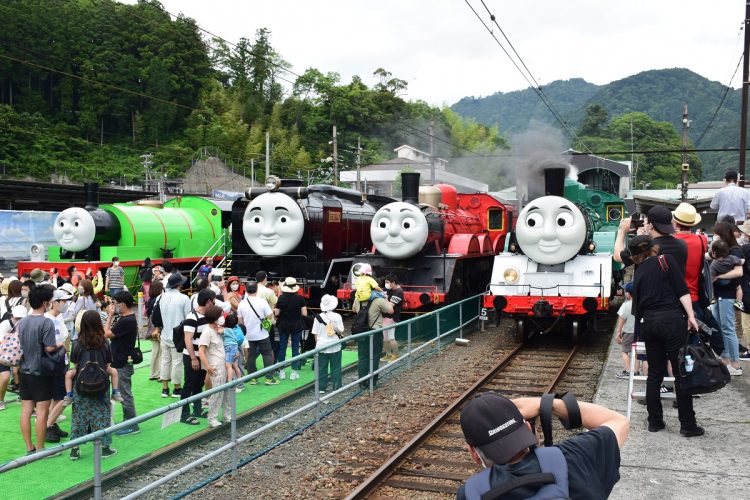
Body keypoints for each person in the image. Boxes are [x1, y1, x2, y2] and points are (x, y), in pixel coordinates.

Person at [456, 393, 629, 499]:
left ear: (474, 454)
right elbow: (618, 421)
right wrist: (545, 403)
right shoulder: (575, 456)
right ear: (529, 428)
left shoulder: (471, 494)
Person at [627, 235, 704, 437]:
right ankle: (688, 425)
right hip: (671, 321)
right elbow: (682, 291)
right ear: (654, 248)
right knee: (680, 373)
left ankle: (655, 421)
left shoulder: (639, 271)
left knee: (655, 373)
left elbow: (638, 307)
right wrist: (691, 316)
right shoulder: (666, 260)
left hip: (649, 324)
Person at [68, 310, 118, 461]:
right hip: (101, 385)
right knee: (102, 414)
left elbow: (75, 365)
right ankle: (105, 448)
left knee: (78, 415)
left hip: (81, 385)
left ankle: (75, 449)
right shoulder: (105, 342)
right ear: (98, 323)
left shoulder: (76, 343)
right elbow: (108, 364)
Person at [17, 286, 59, 454]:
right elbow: (49, 348)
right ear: (45, 303)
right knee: (42, 411)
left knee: (26, 410)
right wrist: (59, 345)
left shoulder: (23, 321)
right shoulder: (46, 322)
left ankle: (29, 447)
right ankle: (41, 449)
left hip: (24, 370)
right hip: (41, 371)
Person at [105, 291, 140, 435]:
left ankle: (132, 424)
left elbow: (106, 333)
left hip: (122, 361)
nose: (113, 306)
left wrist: (110, 315)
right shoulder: (127, 318)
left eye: (115, 303)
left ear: (123, 304)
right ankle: (128, 420)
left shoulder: (127, 320)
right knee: (124, 391)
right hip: (123, 359)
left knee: (124, 393)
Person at [615, 205, 687, 270]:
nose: (643, 223)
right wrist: (643, 237)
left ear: (651, 225)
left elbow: (617, 257)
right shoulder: (682, 244)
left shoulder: (646, 247)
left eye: (646, 221)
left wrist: (621, 231)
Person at [181, 288, 215, 425]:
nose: (214, 303)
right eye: (213, 301)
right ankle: (184, 414)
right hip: (192, 356)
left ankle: (197, 408)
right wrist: (193, 358)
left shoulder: (206, 316)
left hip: (202, 355)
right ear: (208, 302)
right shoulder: (192, 317)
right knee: (189, 384)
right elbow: (187, 339)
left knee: (198, 384)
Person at [153, 272, 190, 398]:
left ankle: (164, 388)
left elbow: (156, 316)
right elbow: (187, 317)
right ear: (179, 285)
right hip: (178, 334)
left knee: (165, 360)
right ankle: (177, 388)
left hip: (165, 332)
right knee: (177, 362)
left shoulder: (160, 297)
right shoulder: (184, 298)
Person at [44, 287, 73, 444]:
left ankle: (51, 423)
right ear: (54, 303)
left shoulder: (59, 317)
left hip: (61, 360)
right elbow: (51, 343)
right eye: (63, 301)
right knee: (63, 396)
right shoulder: (48, 319)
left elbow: (64, 337)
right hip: (53, 362)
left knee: (58, 397)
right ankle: (48, 425)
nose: (66, 304)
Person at [197, 305, 231, 428]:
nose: (222, 317)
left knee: (228, 391)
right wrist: (208, 367)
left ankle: (227, 414)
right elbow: (201, 351)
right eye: (221, 315)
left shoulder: (219, 329)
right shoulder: (207, 332)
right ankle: (212, 417)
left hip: (225, 363)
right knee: (217, 393)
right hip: (216, 365)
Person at [238, 281, 278, 385]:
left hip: (248, 334)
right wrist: (264, 322)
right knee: (267, 354)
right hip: (262, 333)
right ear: (256, 289)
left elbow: (240, 320)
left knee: (250, 356)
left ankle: (253, 378)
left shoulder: (242, 303)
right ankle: (269, 378)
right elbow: (270, 315)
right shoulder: (262, 302)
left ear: (246, 290)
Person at [353, 293, 393, 390]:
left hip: (361, 332)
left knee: (362, 357)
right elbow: (391, 310)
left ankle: (362, 382)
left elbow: (353, 310)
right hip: (375, 332)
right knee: (374, 357)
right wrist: (386, 298)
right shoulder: (378, 300)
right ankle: (372, 381)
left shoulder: (357, 298)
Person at [274, 277, 308, 381]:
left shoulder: (281, 298)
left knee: (282, 347)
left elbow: (277, 313)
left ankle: (282, 371)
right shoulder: (300, 298)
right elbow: (304, 313)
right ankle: (294, 371)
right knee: (295, 348)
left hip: (283, 325)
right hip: (296, 325)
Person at [313, 295, 344, 393]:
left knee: (321, 367)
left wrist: (317, 344)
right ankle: (336, 385)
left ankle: (321, 387)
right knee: (335, 366)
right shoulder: (337, 316)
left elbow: (315, 333)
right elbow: (341, 330)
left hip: (321, 345)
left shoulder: (317, 317)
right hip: (334, 344)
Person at [0, 305, 26, 410]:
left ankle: (23, 397)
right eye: (17, 318)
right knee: (5, 377)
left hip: (20, 355)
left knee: (24, 376)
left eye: (21, 319)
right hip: (4, 355)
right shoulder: (5, 324)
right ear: (12, 316)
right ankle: (1, 400)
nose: (19, 321)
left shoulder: (26, 325)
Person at [614, 282, 639, 379]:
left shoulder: (626, 305)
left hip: (628, 332)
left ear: (628, 294)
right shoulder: (641, 304)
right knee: (638, 352)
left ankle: (628, 371)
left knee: (625, 351)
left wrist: (618, 332)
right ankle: (636, 371)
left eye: (626, 292)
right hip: (638, 332)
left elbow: (621, 320)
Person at [382, 274, 403, 361]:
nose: (386, 284)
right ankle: (388, 354)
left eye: (387, 282)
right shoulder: (390, 289)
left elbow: (390, 306)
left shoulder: (398, 292)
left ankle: (396, 355)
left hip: (392, 318)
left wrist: (385, 298)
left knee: (391, 338)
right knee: (385, 338)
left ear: (393, 282)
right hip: (385, 318)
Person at [146, 280, 164, 380]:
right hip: (159, 327)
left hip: (151, 327)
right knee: (162, 351)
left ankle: (153, 373)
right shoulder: (160, 300)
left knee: (154, 351)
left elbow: (149, 315)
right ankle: (161, 374)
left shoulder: (150, 300)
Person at [223, 312, 244, 390]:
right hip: (235, 348)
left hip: (229, 348)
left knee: (228, 366)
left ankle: (230, 382)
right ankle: (240, 382)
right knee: (235, 366)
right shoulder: (236, 327)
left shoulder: (226, 330)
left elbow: (218, 331)